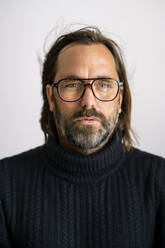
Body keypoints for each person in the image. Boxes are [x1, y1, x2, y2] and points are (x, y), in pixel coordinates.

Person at [0, 26, 165, 248]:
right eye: (72, 84)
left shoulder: (158, 180)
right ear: (51, 97)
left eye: (104, 84)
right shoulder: (5, 183)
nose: (89, 101)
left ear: (120, 99)